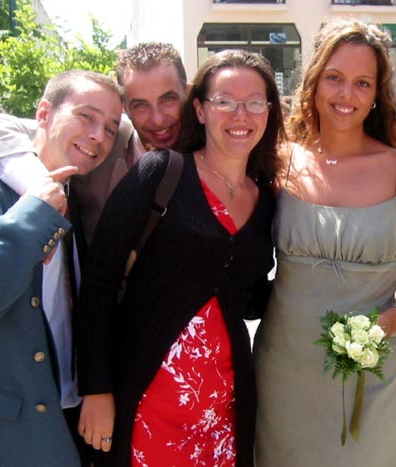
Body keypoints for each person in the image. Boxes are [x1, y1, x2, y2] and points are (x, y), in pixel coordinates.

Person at [75, 49, 285, 467]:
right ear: (200, 109)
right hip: (149, 403)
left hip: (223, 410)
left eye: (254, 102)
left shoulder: (266, 199)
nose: (240, 114)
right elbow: (99, 280)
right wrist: (96, 389)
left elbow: (248, 299)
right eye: (224, 101)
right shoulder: (160, 171)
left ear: (269, 111)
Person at [253, 19, 396, 466]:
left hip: (370, 370)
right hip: (284, 368)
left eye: (362, 83)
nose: (346, 94)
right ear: (314, 81)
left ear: (377, 93)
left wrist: (390, 321)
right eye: (334, 77)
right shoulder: (279, 161)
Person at [0, 70, 123, 467]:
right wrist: (33, 214)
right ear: (43, 114)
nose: (98, 136)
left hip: (67, 421)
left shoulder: (80, 201)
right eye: (86, 116)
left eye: (109, 128)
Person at [0, 42, 188, 246]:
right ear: (125, 108)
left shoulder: (207, 141)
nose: (158, 119)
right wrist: (41, 187)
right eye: (140, 105)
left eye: (168, 99)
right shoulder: (108, 137)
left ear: (187, 92)